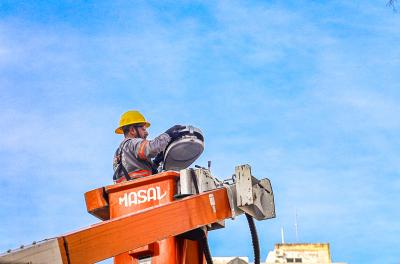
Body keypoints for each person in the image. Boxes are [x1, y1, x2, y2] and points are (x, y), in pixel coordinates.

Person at [113, 110, 183, 183]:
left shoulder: (119, 152)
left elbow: (134, 170)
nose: (147, 133)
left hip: (130, 191)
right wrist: (168, 134)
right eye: (143, 129)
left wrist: (155, 163)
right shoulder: (133, 143)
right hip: (141, 188)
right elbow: (151, 148)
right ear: (132, 130)